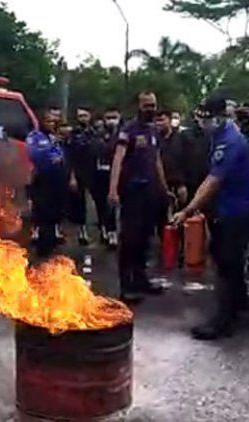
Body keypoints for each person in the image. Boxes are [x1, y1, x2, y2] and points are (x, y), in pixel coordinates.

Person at [172, 94, 249, 340]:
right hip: (229, 206)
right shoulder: (219, 134)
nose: (202, 124)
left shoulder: (230, 142)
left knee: (226, 262)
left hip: (239, 209)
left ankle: (223, 321)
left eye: (207, 119)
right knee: (230, 258)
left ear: (221, 117)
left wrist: (187, 210)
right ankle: (241, 302)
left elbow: (213, 181)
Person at [109, 91, 170, 301]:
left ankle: (141, 280)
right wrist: (113, 190)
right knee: (130, 240)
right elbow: (118, 159)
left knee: (145, 238)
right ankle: (126, 287)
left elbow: (157, 160)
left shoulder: (153, 131)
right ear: (138, 106)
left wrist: (164, 187)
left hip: (150, 192)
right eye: (147, 106)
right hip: (132, 193)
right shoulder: (129, 130)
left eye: (153, 105)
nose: (151, 109)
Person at [26, 111, 70, 257]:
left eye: (53, 122)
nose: (51, 124)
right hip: (41, 180)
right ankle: (42, 248)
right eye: (48, 121)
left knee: (55, 213)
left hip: (57, 181)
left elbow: (62, 157)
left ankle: (52, 244)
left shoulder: (55, 138)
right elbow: (35, 155)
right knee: (42, 213)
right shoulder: (35, 137)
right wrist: (50, 148)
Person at [64, 107, 98, 245]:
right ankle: (82, 232)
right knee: (80, 205)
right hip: (79, 173)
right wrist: (72, 177)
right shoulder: (73, 135)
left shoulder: (95, 133)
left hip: (95, 173)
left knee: (100, 204)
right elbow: (69, 158)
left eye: (85, 115)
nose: (83, 118)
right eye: (80, 116)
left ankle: (104, 232)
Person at [92, 107, 121, 247]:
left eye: (114, 117)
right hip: (101, 173)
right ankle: (108, 231)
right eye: (108, 117)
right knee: (103, 204)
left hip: (120, 173)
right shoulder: (98, 135)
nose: (111, 121)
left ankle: (116, 231)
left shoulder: (123, 134)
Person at [155, 110, 188, 232]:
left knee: (181, 218)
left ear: (169, 120)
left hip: (178, 185)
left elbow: (187, 161)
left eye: (162, 120)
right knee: (162, 221)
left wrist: (183, 183)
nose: (159, 123)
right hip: (160, 186)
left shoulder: (181, 138)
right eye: (157, 121)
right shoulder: (155, 140)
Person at [180, 109, 211, 200]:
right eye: (198, 116)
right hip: (190, 181)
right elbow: (179, 159)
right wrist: (181, 183)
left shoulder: (211, 135)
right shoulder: (185, 135)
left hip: (207, 180)